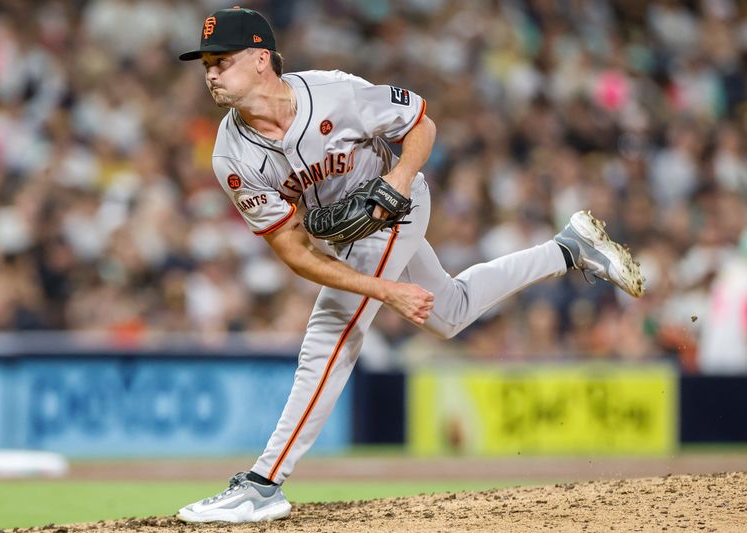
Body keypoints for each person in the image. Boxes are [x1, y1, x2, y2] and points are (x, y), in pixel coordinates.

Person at [175, 7, 645, 524]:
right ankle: (568, 248)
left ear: (262, 58)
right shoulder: (230, 155)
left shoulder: (333, 92)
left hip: (396, 205)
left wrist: (398, 179)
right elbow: (293, 251)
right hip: (345, 241)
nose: (211, 73)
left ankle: (265, 484)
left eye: (222, 60)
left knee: (331, 334)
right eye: (206, 64)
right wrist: (385, 289)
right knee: (450, 312)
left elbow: (421, 122)